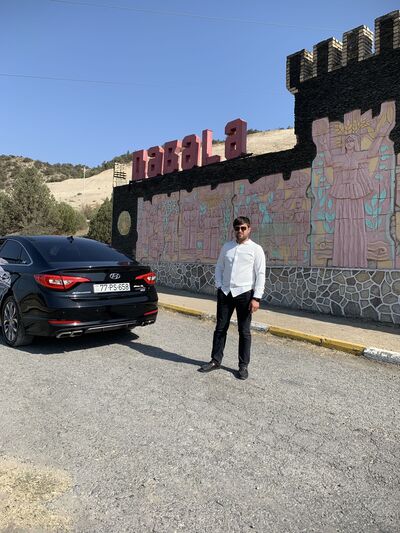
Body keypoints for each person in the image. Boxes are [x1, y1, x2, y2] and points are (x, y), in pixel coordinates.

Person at [199, 216, 266, 380]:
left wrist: (257, 298)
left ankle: (243, 366)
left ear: (249, 229)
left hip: (245, 294)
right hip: (226, 293)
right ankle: (215, 360)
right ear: (234, 230)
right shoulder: (227, 247)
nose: (240, 231)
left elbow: (260, 274)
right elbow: (219, 267)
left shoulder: (256, 249)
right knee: (220, 328)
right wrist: (219, 285)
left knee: (244, 331)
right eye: (237, 228)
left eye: (243, 228)